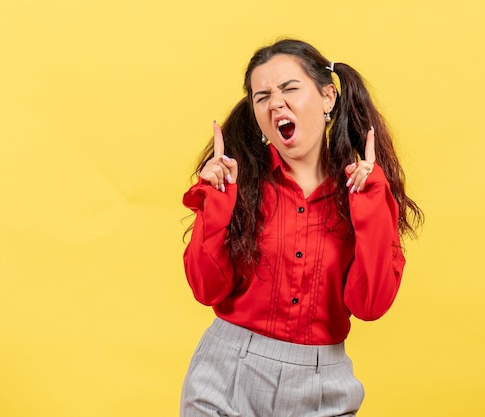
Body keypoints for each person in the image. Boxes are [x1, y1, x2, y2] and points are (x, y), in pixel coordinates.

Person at [180, 38, 422, 417]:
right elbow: (206, 288)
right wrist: (216, 202)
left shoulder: (363, 193)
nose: (276, 102)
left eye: (289, 89)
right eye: (262, 97)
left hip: (322, 385)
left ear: (328, 97)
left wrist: (374, 205)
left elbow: (370, 306)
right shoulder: (237, 184)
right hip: (227, 375)